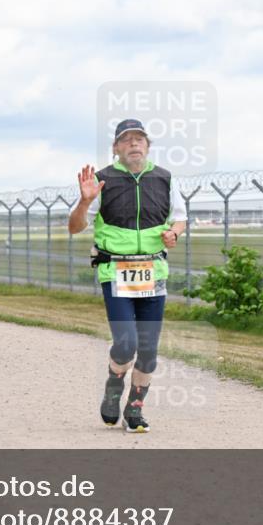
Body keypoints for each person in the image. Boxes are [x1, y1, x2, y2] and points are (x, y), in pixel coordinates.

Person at [67, 119, 187, 433]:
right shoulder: (101, 181)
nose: (134, 144)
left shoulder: (165, 179)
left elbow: (180, 218)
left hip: (153, 271)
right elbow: (74, 227)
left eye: (139, 139)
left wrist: (173, 233)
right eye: (127, 140)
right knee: (126, 343)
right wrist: (85, 201)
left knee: (148, 348)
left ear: (147, 146)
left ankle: (135, 408)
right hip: (115, 272)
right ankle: (113, 383)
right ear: (116, 148)